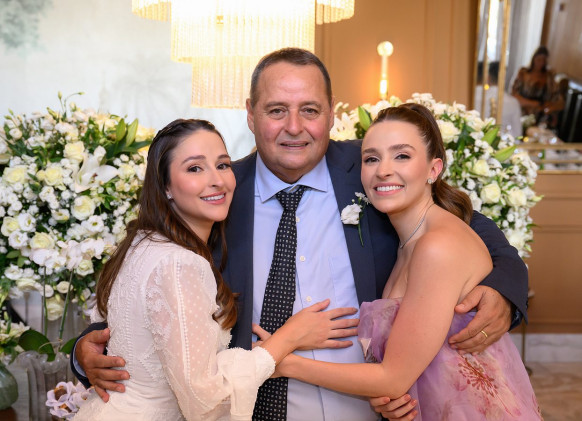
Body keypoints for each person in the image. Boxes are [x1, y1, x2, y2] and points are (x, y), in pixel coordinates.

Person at [72, 48, 529, 421]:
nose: (294, 127)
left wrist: (503, 289)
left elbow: (467, 229)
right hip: (245, 408)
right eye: (277, 111)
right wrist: (89, 348)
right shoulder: (216, 193)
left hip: (368, 407)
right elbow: (148, 279)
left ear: (331, 113)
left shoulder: (375, 170)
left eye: (309, 110)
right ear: (250, 114)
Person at [260, 103, 542, 420]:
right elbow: (406, 372)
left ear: (434, 169)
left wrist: (281, 361)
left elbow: (393, 377)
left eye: (402, 156)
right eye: (372, 159)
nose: (383, 170)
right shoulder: (407, 243)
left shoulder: (437, 246)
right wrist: (387, 397)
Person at [73, 119, 359, 420]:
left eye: (222, 165)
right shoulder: (179, 262)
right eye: (195, 168)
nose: (217, 180)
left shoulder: (142, 242)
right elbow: (205, 401)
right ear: (165, 186)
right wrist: (289, 337)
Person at [511, 46, 564, 128]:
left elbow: (559, 101)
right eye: (539, 59)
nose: (541, 63)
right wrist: (535, 104)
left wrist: (549, 108)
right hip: (523, 113)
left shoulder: (549, 77)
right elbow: (514, 95)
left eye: (544, 60)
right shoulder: (523, 73)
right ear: (534, 59)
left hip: (542, 117)